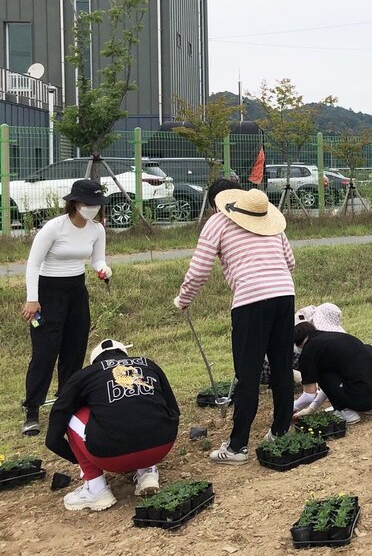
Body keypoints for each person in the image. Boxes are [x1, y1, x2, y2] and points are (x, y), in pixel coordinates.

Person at [174, 188, 296, 466]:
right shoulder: (271, 221)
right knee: (281, 365)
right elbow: (290, 262)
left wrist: (184, 299)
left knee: (248, 373)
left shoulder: (217, 221)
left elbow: (200, 268)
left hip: (250, 300)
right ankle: (280, 432)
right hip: (284, 294)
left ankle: (237, 446)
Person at [21, 179, 112, 436]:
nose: (92, 208)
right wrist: (32, 298)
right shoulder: (55, 227)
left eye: (96, 204)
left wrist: (102, 270)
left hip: (76, 292)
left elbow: (98, 259)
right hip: (48, 293)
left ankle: (65, 405)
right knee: (45, 352)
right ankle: (32, 409)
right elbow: (33, 264)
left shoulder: (97, 229)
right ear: (74, 203)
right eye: (87, 204)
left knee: (74, 349)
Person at [45, 339, 179, 511]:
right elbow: (173, 410)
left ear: (95, 362)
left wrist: (81, 459)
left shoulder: (85, 375)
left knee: (72, 414)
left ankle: (96, 488)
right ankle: (147, 471)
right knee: (143, 406)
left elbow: (52, 438)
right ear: (125, 355)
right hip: (162, 445)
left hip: (109, 456)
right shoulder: (149, 364)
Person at [292, 322, 372, 425]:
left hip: (363, 397)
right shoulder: (336, 337)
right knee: (365, 351)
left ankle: (347, 413)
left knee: (321, 372)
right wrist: (312, 408)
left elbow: (309, 395)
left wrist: (291, 408)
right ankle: (370, 407)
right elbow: (330, 385)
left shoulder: (309, 351)